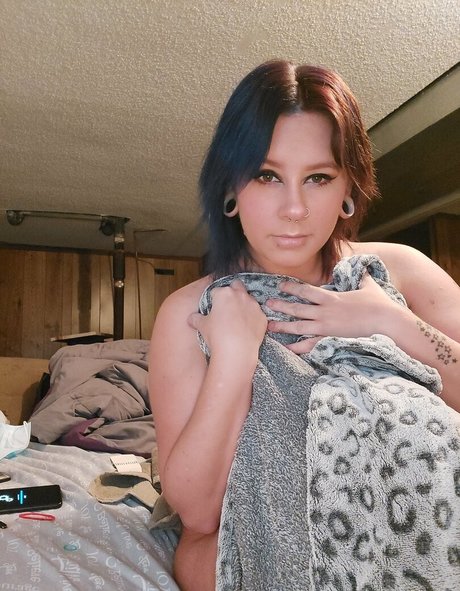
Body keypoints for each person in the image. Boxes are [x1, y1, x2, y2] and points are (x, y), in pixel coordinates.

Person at [148, 60, 460, 591]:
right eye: (267, 175)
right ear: (230, 188)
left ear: (348, 188)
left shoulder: (401, 270)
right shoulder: (190, 313)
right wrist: (234, 359)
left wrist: (390, 321)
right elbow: (198, 514)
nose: (294, 208)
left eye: (318, 177)